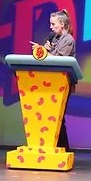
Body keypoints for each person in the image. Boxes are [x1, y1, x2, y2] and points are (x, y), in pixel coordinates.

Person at [31, 9, 75, 149]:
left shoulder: (68, 40)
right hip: (50, 81)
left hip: (61, 82)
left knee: (58, 117)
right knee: (50, 116)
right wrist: (44, 50)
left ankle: (63, 148)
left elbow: (60, 61)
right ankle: (51, 147)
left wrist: (43, 53)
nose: (51, 27)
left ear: (62, 24)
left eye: (53, 24)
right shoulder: (54, 38)